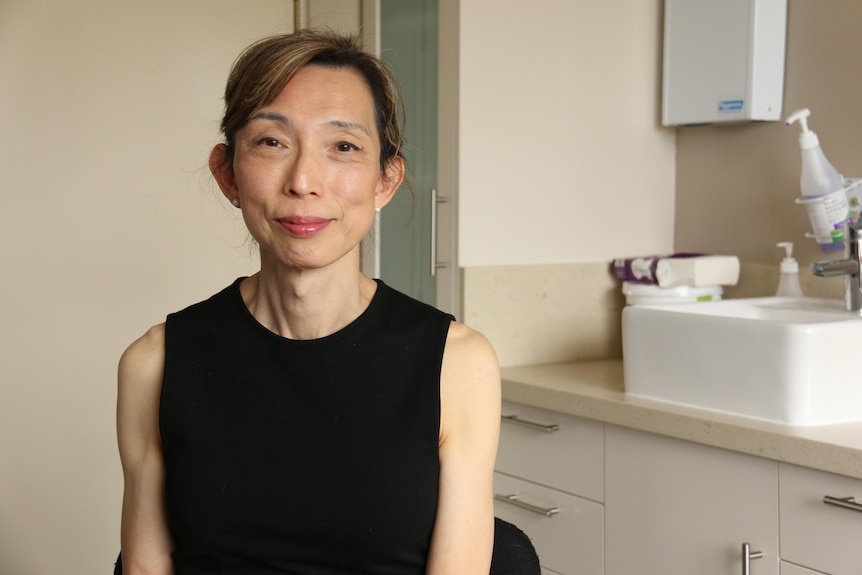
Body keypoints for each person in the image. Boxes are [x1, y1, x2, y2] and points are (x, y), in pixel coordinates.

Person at [116, 29, 501, 575]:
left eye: (343, 147)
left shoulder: (457, 364)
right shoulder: (153, 364)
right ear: (227, 172)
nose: (303, 181)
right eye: (272, 142)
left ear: (385, 181)